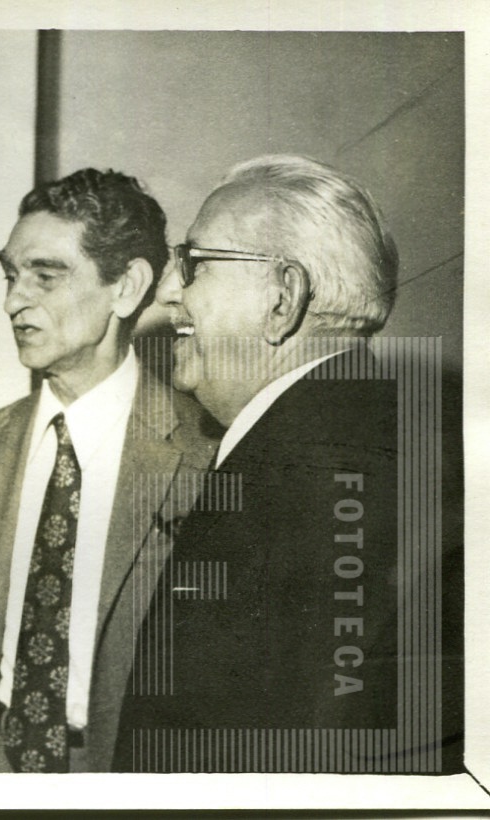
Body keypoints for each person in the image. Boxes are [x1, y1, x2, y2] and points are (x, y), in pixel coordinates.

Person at [114, 154, 411, 771]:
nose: (168, 292)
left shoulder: (291, 478)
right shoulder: (366, 442)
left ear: (283, 299)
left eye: (194, 263)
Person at [0, 168, 215, 773]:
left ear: (127, 287)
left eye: (46, 276)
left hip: (120, 773)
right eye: (11, 276)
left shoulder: (201, 451)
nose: (14, 301)